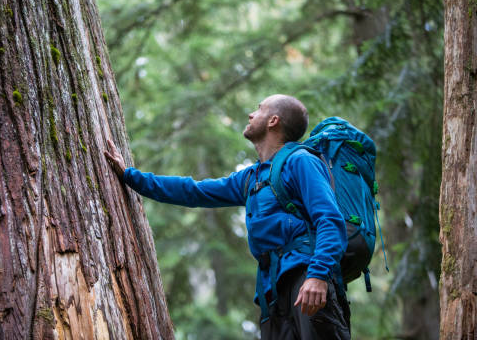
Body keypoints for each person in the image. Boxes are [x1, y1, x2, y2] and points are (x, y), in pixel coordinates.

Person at [104, 94, 350, 340]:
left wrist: (318, 275)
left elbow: (330, 219)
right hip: (272, 292)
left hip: (306, 279)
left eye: (259, 109)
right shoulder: (251, 177)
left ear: (273, 121)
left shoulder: (301, 161)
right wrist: (130, 176)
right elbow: (194, 191)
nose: (251, 114)